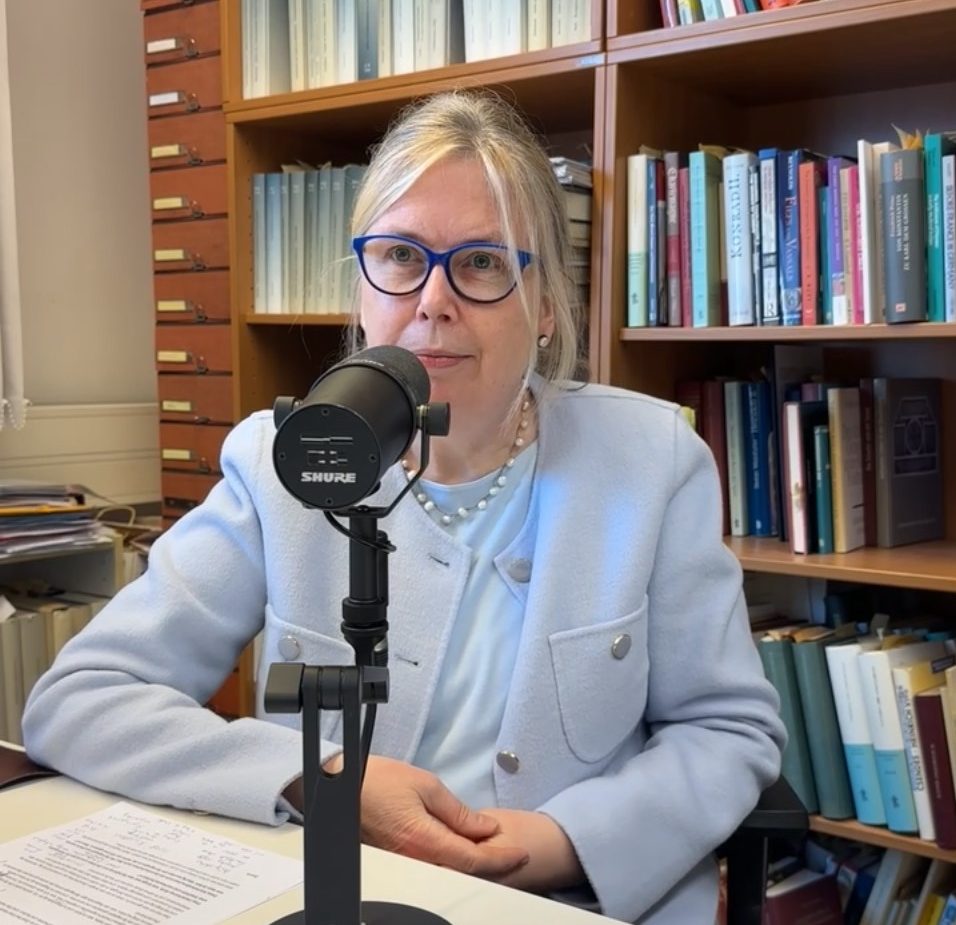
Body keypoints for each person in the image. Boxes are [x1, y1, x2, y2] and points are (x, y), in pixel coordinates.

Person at [23, 89, 785, 924]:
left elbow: (727, 730)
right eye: (398, 255)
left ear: (546, 307)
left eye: (482, 262)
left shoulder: (653, 461)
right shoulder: (282, 462)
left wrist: (556, 842)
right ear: (362, 289)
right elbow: (81, 699)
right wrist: (318, 782)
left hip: (574, 901)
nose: (432, 300)